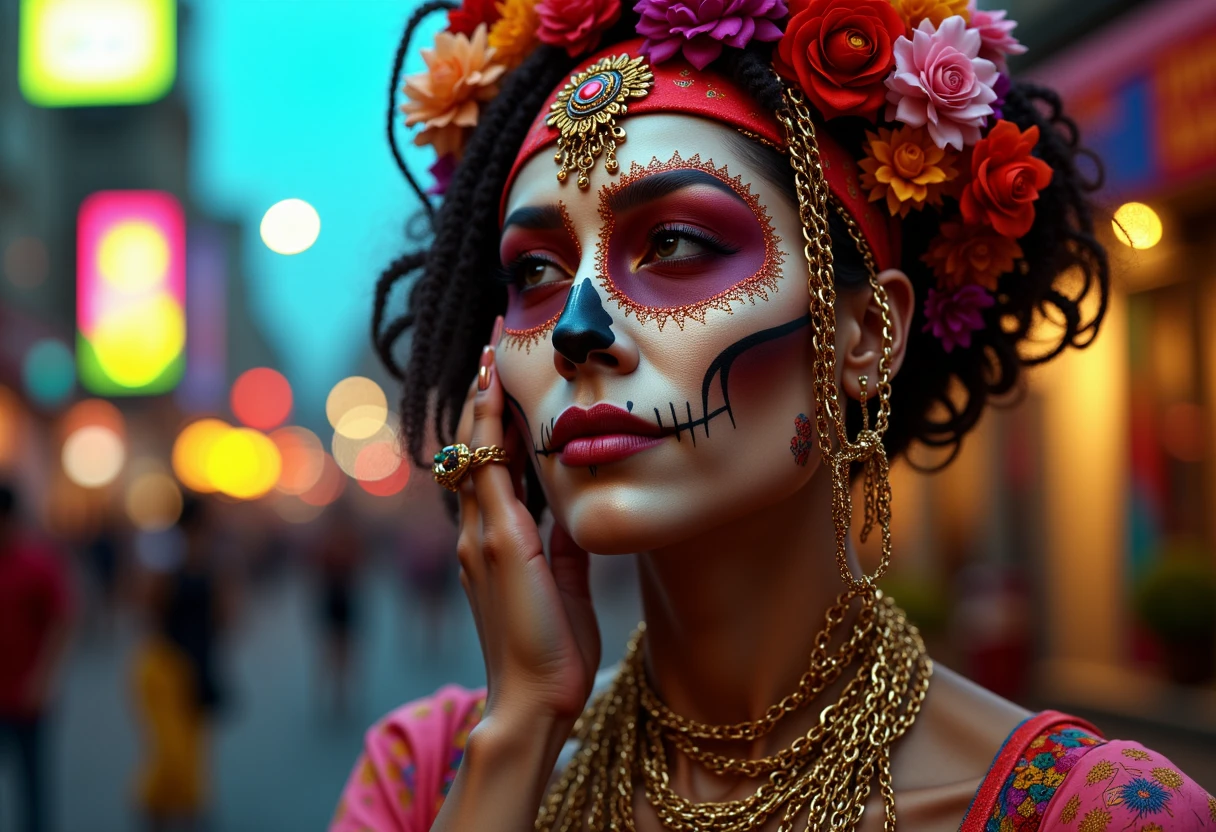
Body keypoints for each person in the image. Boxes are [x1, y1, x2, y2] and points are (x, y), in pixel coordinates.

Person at [334, 3, 1216, 830]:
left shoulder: (1095, 813)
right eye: (533, 274)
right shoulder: (429, 774)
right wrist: (521, 733)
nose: (576, 330)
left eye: (675, 243)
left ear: (864, 333)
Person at [0, 482, 73, 832]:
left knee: (33, 783)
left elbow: (62, 620)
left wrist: (45, 678)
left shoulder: (37, 564)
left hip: (27, 694)